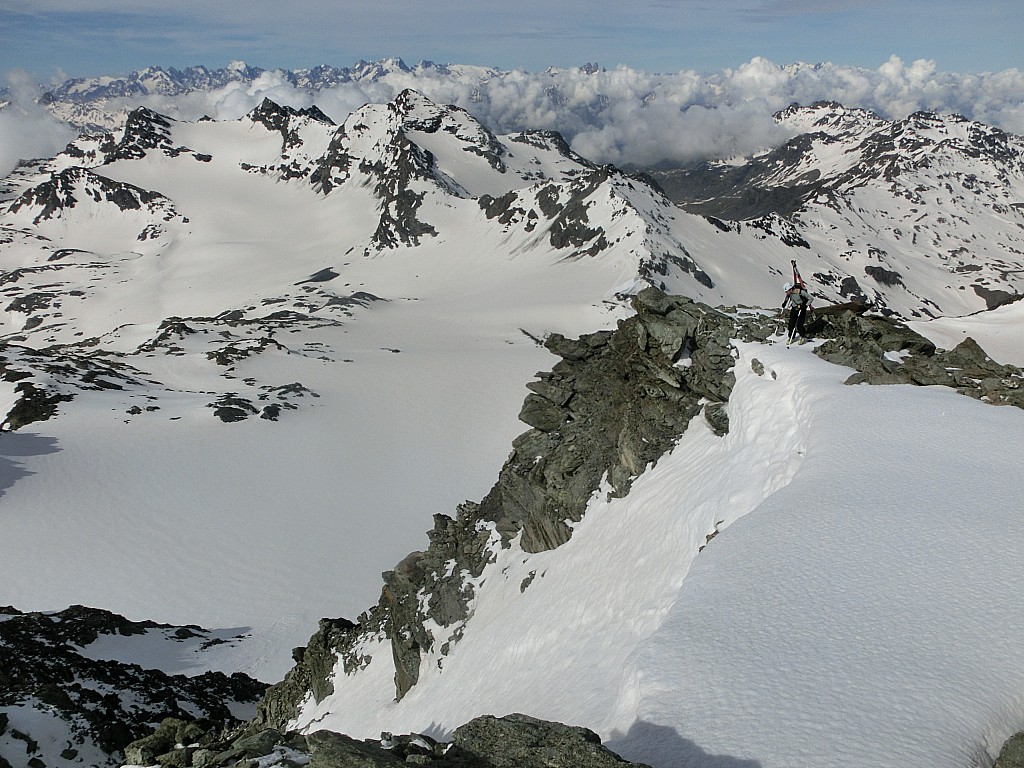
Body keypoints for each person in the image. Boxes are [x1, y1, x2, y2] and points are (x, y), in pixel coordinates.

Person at [782, 276, 812, 344]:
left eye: (787, 291)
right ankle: (791, 337)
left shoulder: (800, 292)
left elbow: (810, 298)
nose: (786, 293)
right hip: (794, 308)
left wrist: (805, 306)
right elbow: (787, 298)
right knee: (791, 323)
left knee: (799, 324)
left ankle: (802, 336)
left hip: (801, 309)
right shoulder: (790, 294)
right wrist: (784, 303)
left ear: (790, 289)